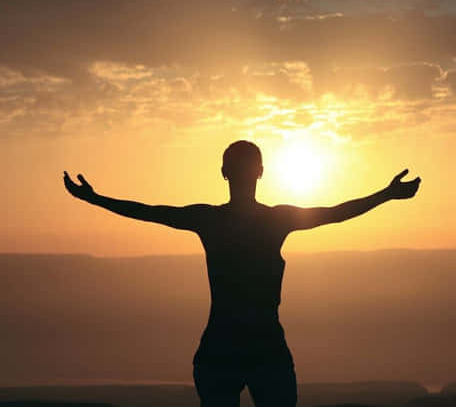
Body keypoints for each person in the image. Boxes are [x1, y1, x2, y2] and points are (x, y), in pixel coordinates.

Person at [64, 140, 421, 407]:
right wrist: (386, 194)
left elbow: (149, 212)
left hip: (224, 345)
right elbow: (336, 213)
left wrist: (96, 199)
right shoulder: (274, 220)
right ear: (260, 173)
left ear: (224, 172)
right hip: (262, 345)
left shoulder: (211, 219)